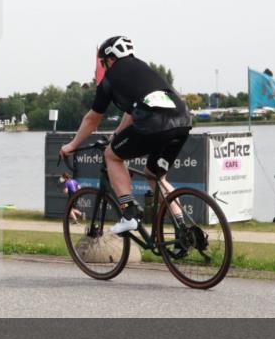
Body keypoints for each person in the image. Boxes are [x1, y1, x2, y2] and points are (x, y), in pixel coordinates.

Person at [59, 36, 191, 234]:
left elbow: (92, 119)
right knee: (156, 177)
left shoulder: (110, 79)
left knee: (112, 155)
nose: (104, 67)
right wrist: (117, 135)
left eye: (103, 62)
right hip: (182, 121)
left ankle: (129, 213)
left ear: (110, 59)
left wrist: (72, 145)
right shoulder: (143, 68)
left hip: (154, 122)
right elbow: (132, 111)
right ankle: (184, 230)